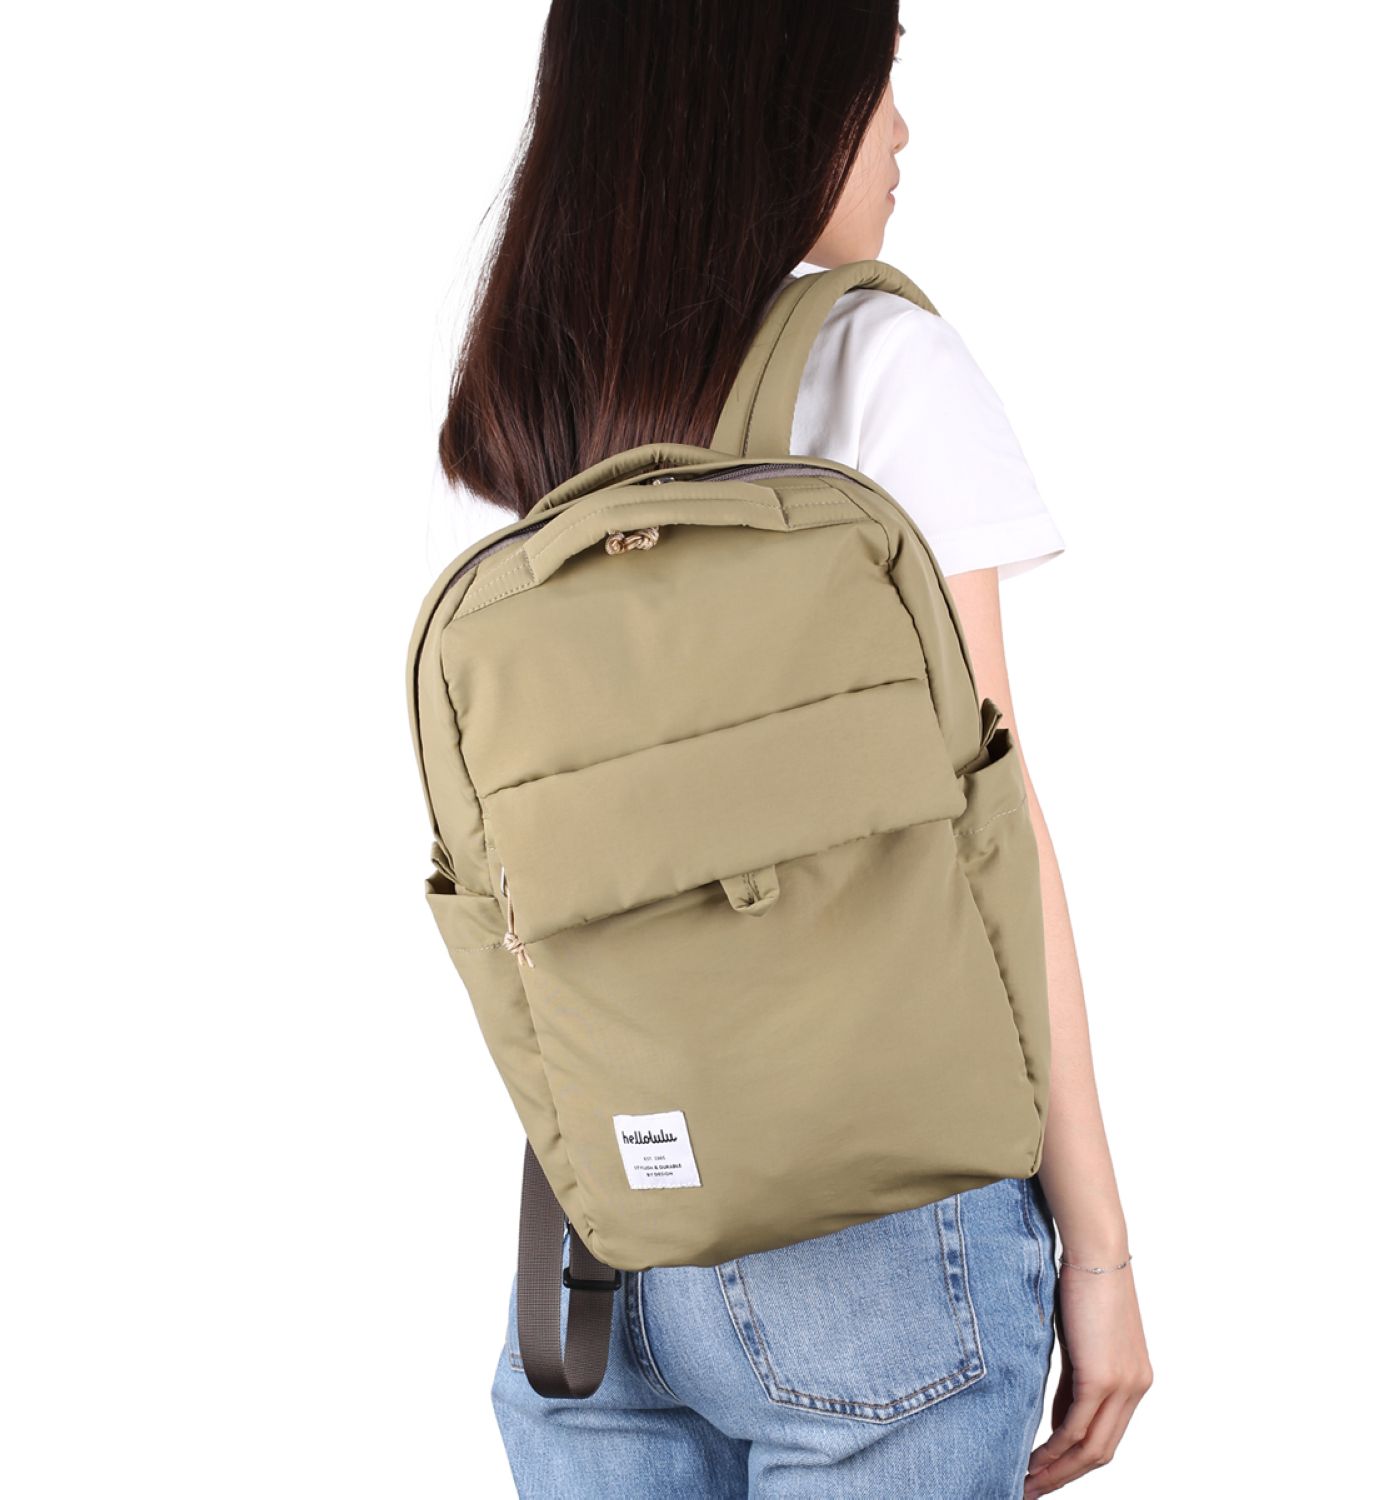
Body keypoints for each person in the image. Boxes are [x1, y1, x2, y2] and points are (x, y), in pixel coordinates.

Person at [429, 6, 1151, 1496]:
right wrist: (1101, 1251)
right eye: (876, 80)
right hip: (880, 1232)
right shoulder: (880, 360)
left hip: (592, 1250)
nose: (900, 129)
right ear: (767, 100)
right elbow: (996, 835)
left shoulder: (531, 398)